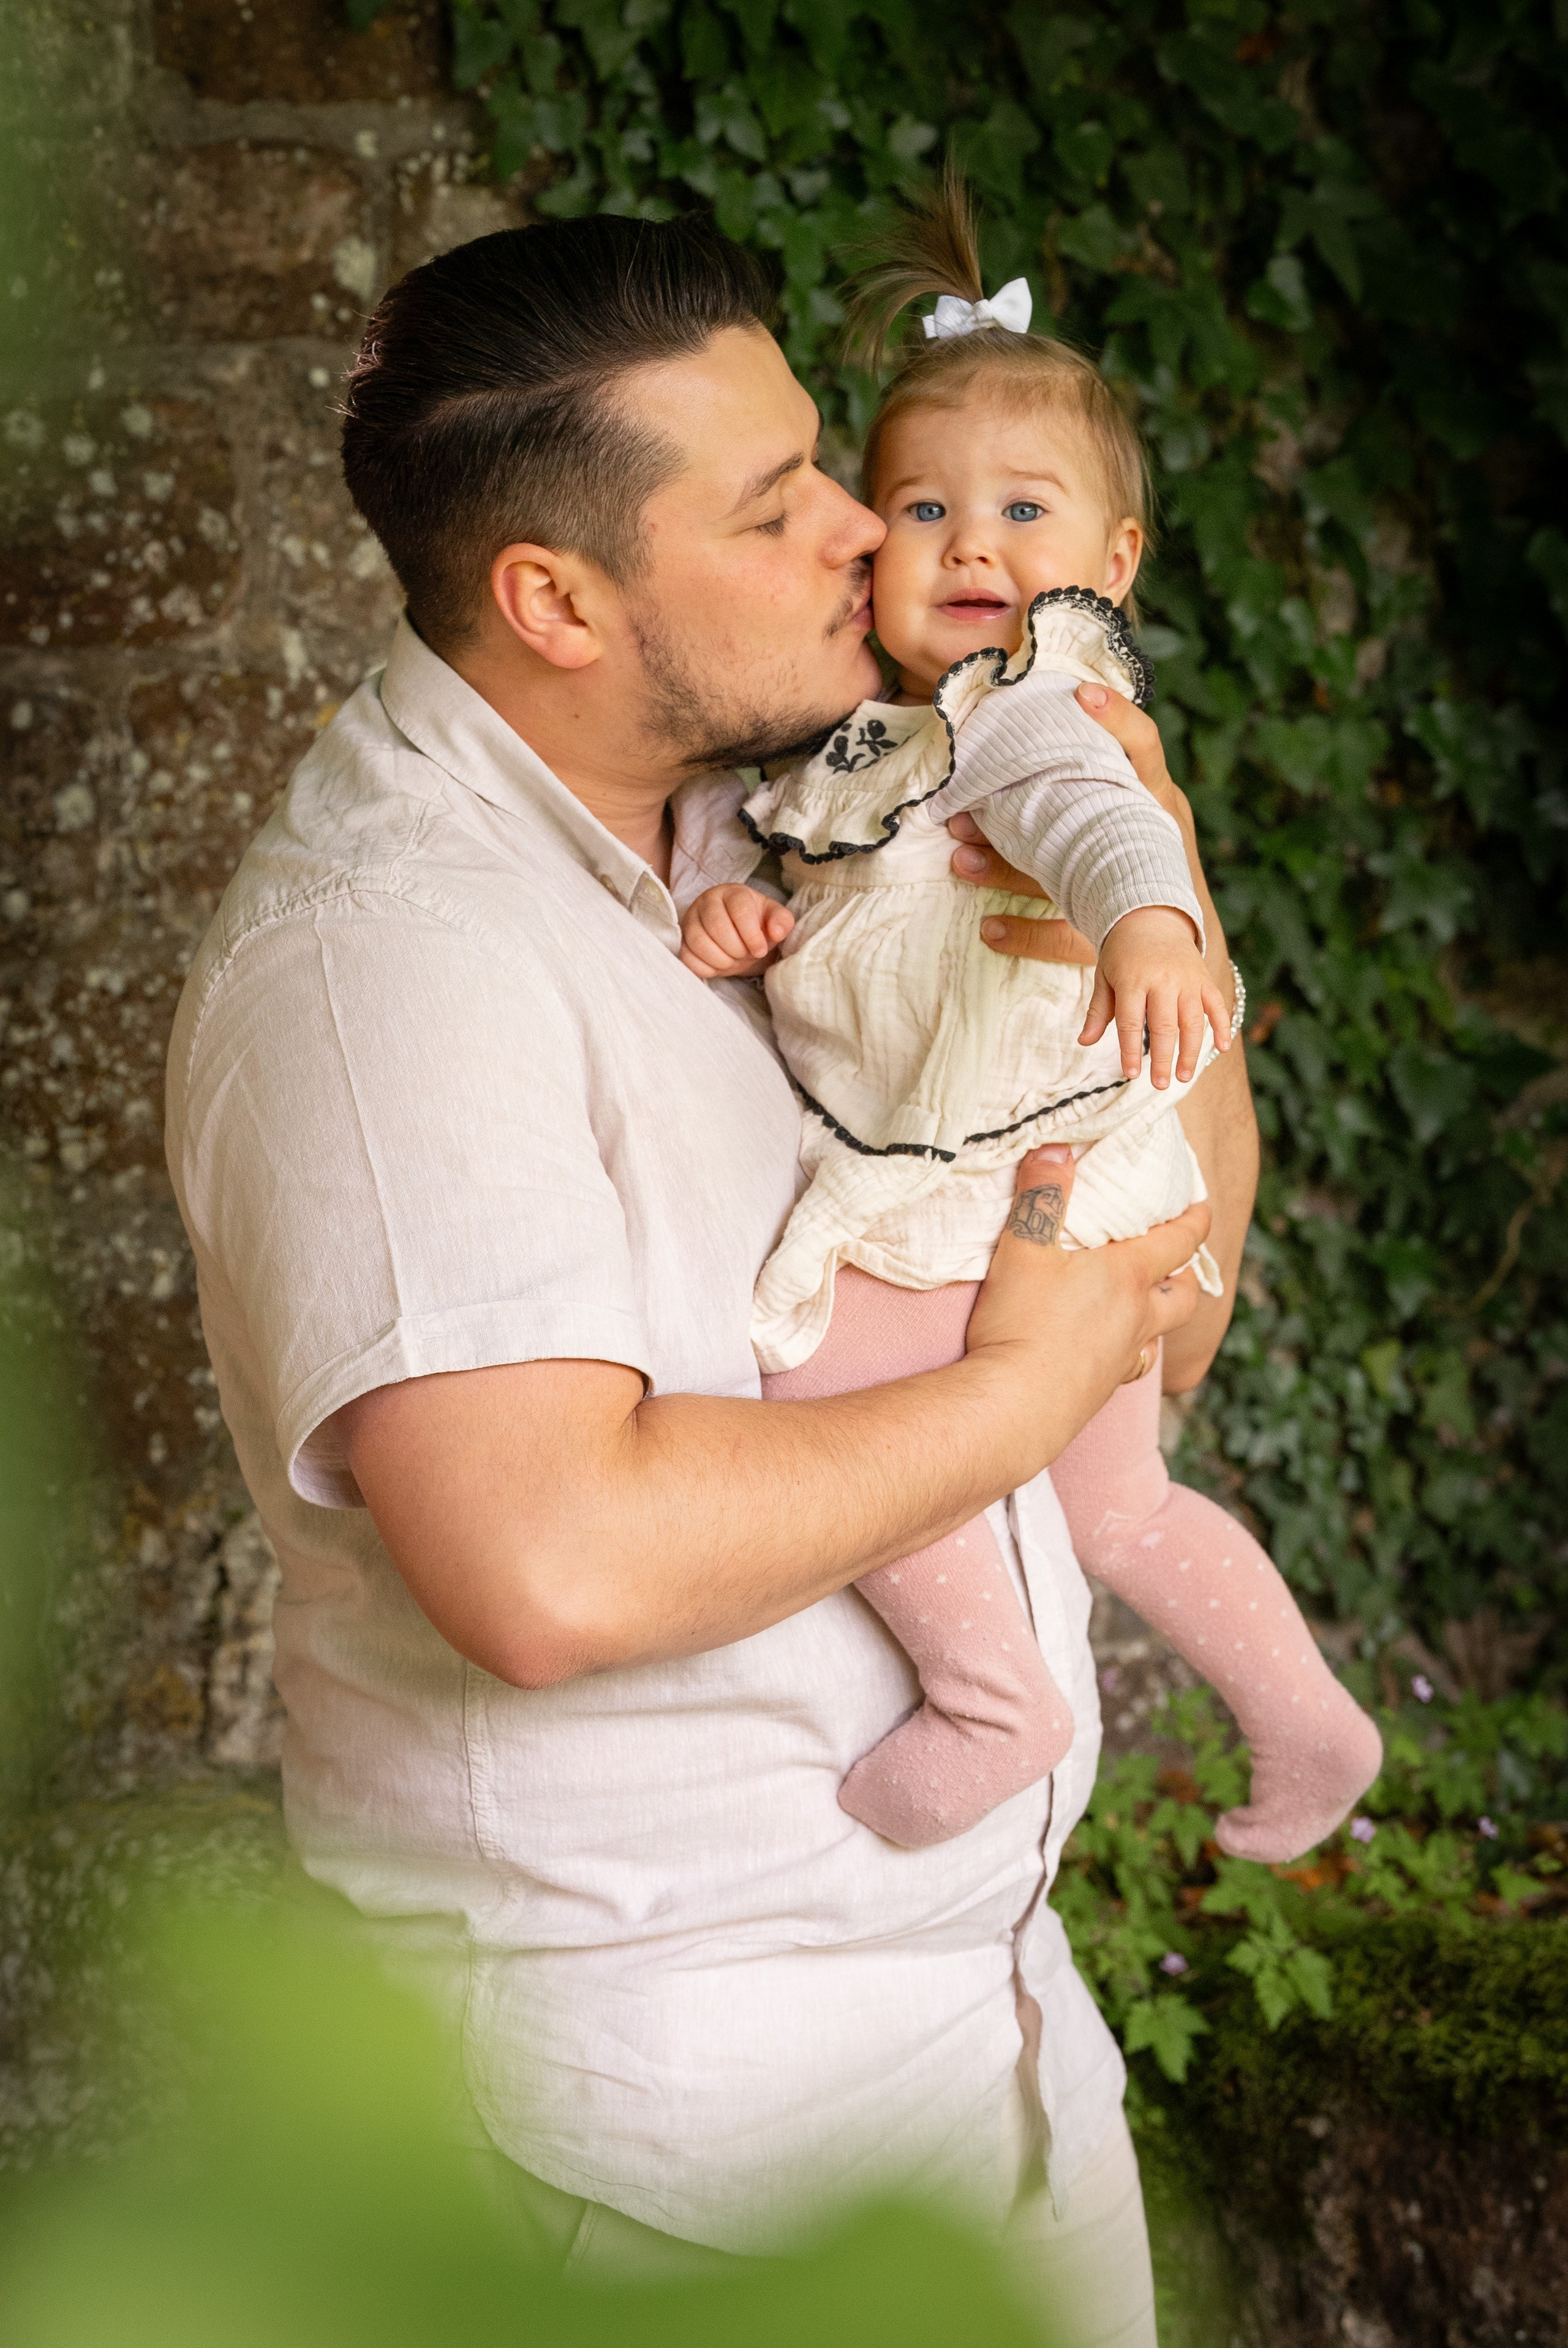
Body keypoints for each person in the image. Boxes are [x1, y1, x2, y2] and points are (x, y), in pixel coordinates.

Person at [164, 212, 1240, 2346]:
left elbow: (1178, 1276)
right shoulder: (385, 966)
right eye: (779, 507)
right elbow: (545, 1561)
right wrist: (1025, 1396)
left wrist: (1161, 870)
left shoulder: (794, 823)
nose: (870, 531)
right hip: (664, 2175)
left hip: (991, 2048)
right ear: (556, 600)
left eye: (832, 463)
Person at [677, 182, 1382, 1859]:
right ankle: (1310, 1718)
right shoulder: (875, 743)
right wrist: (736, 916)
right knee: (1119, 1501)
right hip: (1063, 1168)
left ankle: (997, 1697)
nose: (971, 545)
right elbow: (813, 878)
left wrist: (1151, 918)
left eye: (1021, 510)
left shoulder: (1033, 704)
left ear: (1112, 569)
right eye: (922, 506)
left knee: (819, 1383)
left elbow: (1098, 816)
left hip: (980, 1185)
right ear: (868, 536)